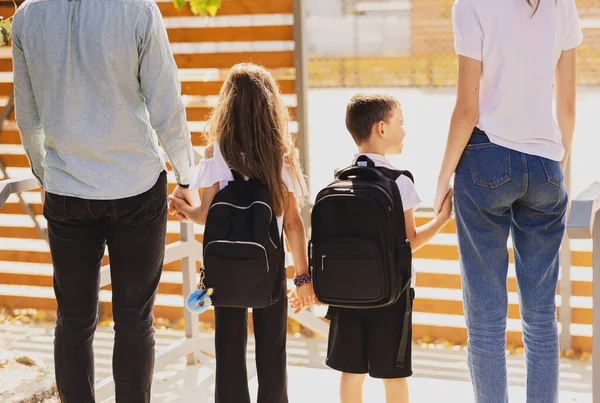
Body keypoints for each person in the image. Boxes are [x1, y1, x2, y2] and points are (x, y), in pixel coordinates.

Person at [12, 0, 199, 401]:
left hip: (66, 189)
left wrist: (47, 174)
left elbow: (28, 117)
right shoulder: (138, 9)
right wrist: (186, 176)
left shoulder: (27, 16)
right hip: (136, 185)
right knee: (135, 321)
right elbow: (166, 104)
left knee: (73, 319)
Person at [434, 0, 583, 401]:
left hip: (486, 161)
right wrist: (560, 167)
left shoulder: (471, 4)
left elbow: (467, 108)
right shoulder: (561, 5)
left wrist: (443, 177)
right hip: (547, 164)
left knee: (485, 320)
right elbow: (567, 105)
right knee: (540, 318)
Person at [168, 63, 316, 403]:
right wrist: (303, 277)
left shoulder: (216, 151)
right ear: (270, 105)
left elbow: (205, 215)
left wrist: (181, 207)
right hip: (270, 263)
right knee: (272, 352)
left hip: (227, 263)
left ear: (227, 105)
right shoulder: (280, 155)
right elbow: (292, 223)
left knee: (229, 351)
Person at [313, 94, 453, 403]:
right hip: (393, 293)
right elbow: (410, 241)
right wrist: (442, 219)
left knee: (351, 372)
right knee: (393, 374)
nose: (404, 131)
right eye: (399, 123)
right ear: (381, 128)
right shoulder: (399, 181)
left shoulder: (338, 179)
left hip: (345, 293)